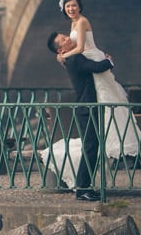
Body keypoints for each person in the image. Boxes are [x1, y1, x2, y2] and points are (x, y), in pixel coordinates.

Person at [55, 0, 141, 161]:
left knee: (105, 100)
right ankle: (99, 141)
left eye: (73, 6)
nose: (71, 9)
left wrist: (64, 56)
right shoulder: (74, 23)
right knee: (97, 99)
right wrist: (63, 54)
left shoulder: (81, 21)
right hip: (87, 62)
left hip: (92, 59)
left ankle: (113, 143)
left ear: (79, 6)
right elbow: (73, 47)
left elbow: (80, 48)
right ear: (64, 10)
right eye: (68, 7)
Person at [41, 29, 115, 201]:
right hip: (86, 109)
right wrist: (109, 61)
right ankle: (82, 189)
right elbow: (96, 67)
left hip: (87, 107)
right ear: (61, 50)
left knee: (92, 147)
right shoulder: (74, 59)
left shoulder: (71, 58)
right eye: (64, 39)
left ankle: (86, 186)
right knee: (90, 147)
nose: (68, 38)